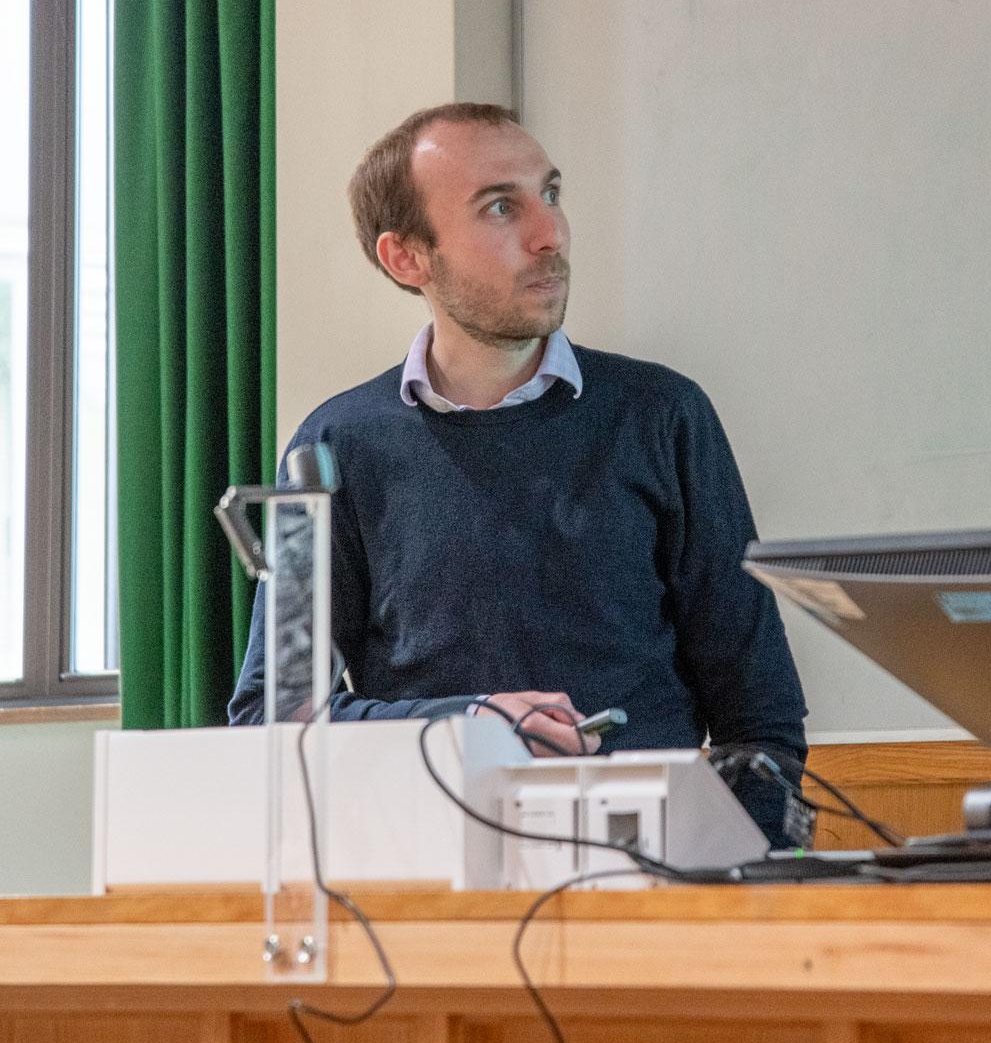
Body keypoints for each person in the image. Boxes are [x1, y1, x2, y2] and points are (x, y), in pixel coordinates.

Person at [229, 101, 807, 844]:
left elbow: (759, 714)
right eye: (501, 207)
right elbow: (276, 713)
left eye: (551, 194)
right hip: (424, 870)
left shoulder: (662, 416)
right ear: (406, 258)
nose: (550, 234)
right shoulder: (332, 446)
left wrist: (751, 875)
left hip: (644, 874)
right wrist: (471, 723)